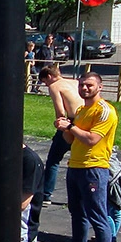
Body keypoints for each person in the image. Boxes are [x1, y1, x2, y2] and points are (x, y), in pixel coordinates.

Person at [49, 72, 117, 242]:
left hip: (94, 167)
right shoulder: (81, 110)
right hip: (76, 166)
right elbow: (71, 140)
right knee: (76, 210)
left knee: (97, 214)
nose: (84, 89)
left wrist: (71, 126)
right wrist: (63, 127)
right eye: (82, 85)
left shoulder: (105, 111)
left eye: (89, 85)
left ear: (100, 87)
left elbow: (91, 139)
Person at [38, 64, 80, 203]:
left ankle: (46, 195)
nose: (46, 84)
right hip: (84, 120)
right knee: (80, 158)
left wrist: (59, 125)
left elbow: (60, 111)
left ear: (49, 77)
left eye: (45, 81)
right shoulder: (75, 82)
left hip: (70, 122)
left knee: (53, 160)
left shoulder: (54, 86)